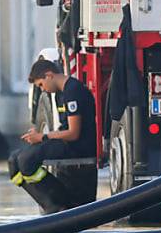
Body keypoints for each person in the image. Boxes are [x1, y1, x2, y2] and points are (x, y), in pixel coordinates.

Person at [8, 58, 97, 213]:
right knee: (14, 160)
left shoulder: (73, 91)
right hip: (65, 142)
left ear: (49, 75)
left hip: (78, 146)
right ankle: (49, 201)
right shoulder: (59, 94)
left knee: (27, 160)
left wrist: (43, 137)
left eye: (41, 85)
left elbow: (74, 133)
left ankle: (57, 205)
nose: (43, 90)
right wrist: (39, 137)